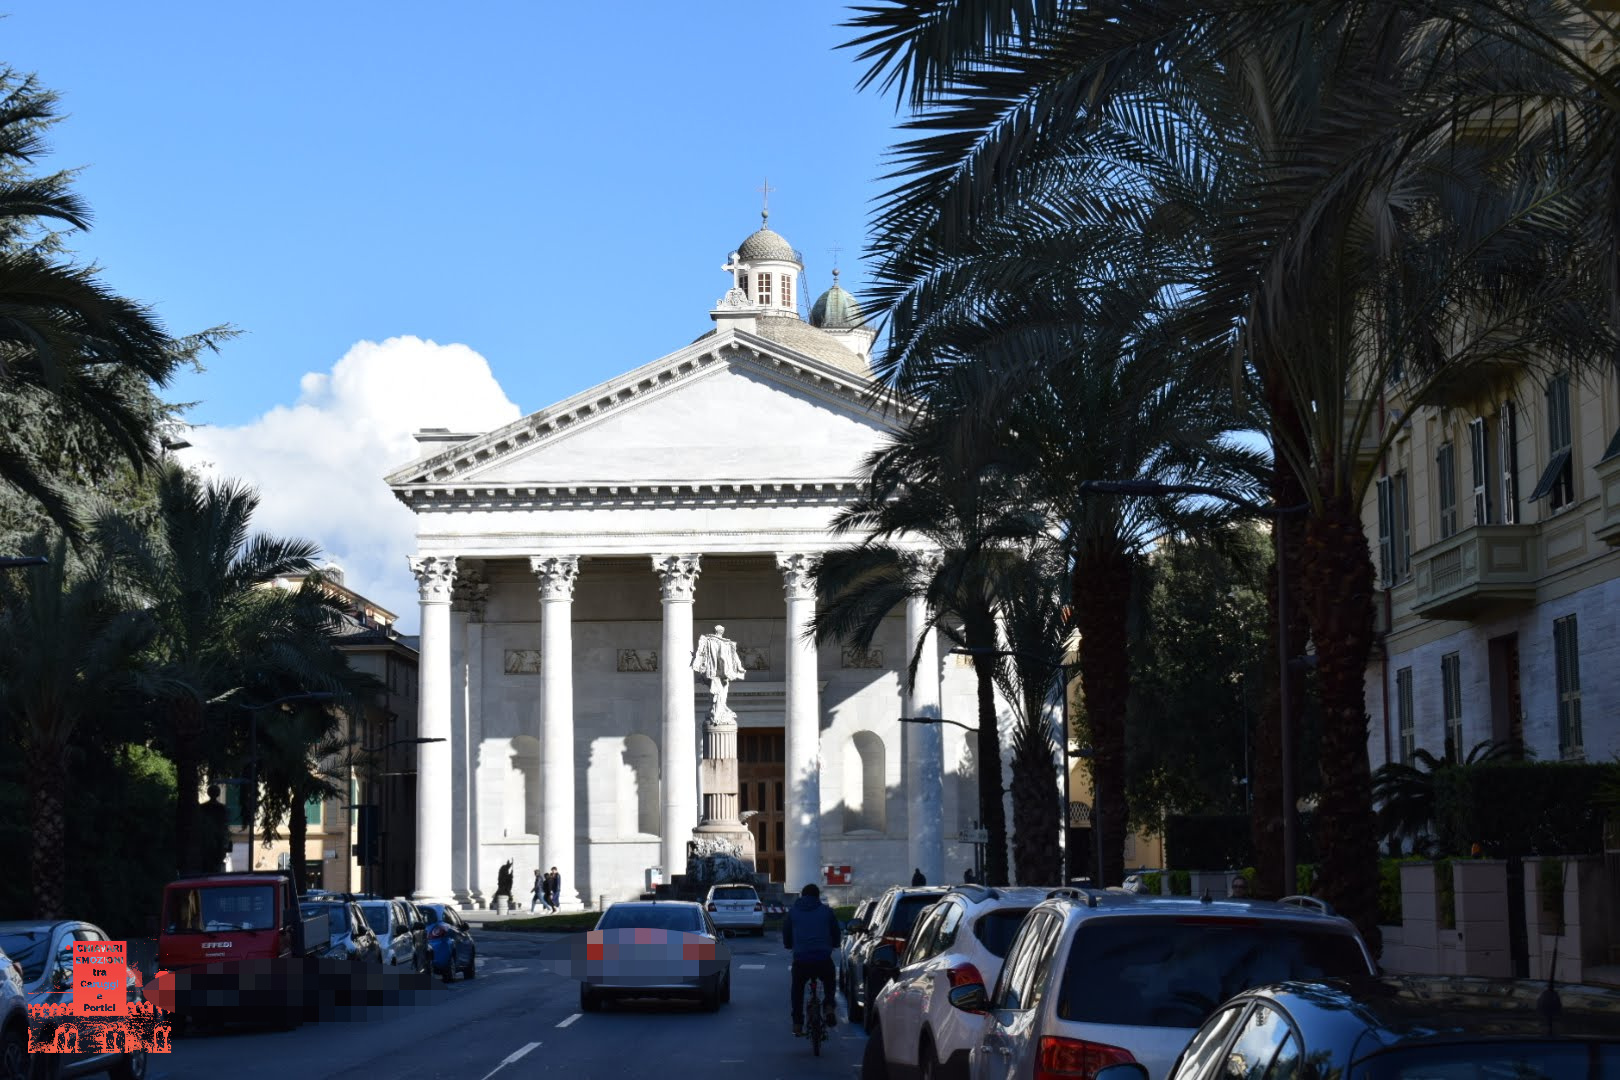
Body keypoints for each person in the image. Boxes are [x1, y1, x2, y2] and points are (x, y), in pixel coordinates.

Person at [782, 883, 840, 1037]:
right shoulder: (827, 912)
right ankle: (828, 1005)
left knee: (797, 989)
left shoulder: (793, 913)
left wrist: (789, 945)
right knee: (829, 980)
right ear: (817, 896)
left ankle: (797, 1023)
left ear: (802, 895)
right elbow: (835, 932)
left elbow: (786, 933)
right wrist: (835, 944)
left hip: (801, 960)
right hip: (822, 959)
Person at [691, 624, 746, 715]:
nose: (720, 632)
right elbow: (722, 656)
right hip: (716, 671)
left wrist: (738, 667)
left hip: (719, 671)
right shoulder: (714, 641)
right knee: (719, 688)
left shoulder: (723, 642)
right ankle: (718, 708)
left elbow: (730, 657)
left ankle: (720, 707)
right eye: (720, 631)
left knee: (722, 687)